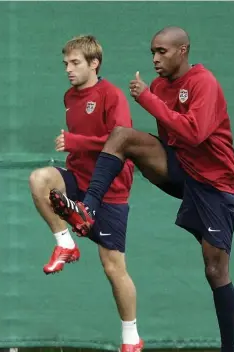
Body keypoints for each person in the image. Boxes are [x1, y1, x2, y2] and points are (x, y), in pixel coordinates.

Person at [49, 27, 234, 352]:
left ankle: (228, 349)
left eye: (162, 52)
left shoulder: (202, 82)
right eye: (152, 51)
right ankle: (88, 209)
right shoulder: (159, 87)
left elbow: (193, 133)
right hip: (181, 170)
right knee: (122, 136)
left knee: (215, 270)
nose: (154, 58)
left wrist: (147, 100)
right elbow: (169, 142)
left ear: (183, 51)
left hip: (214, 183)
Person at [28, 35, 143, 351]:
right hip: (77, 179)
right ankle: (65, 243)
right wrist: (75, 149)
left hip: (110, 191)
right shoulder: (70, 96)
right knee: (40, 179)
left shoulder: (112, 96)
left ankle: (131, 338)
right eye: (65, 63)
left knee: (113, 268)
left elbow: (122, 140)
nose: (68, 69)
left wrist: (76, 142)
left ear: (94, 63)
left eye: (75, 63)